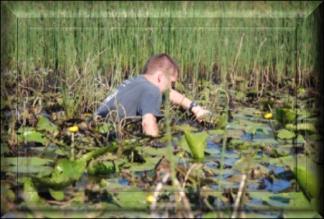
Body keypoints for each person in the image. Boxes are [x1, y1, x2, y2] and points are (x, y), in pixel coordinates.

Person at [95, 53, 211, 137]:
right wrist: (158, 148)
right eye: (171, 83)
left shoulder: (138, 81)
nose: (172, 87)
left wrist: (196, 108)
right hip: (108, 134)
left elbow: (168, 93)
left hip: (95, 125)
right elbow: (148, 123)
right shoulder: (152, 91)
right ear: (160, 77)